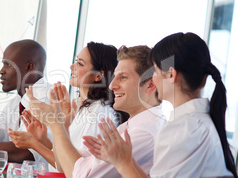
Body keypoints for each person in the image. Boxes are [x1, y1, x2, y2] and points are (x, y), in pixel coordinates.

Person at [86, 32, 237, 177]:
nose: (153, 80)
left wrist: (123, 163)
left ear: (171, 75)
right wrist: (125, 160)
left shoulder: (183, 128)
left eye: (156, 72)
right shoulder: (195, 122)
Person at [9, 42, 123, 174]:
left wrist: (34, 144)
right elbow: (65, 156)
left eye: (80, 63)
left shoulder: (98, 114)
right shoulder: (85, 108)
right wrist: (43, 140)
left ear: (98, 76)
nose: (71, 66)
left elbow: (75, 168)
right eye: (76, 61)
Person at [74, 45, 166, 177]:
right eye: (115, 77)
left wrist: (57, 127)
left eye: (123, 77)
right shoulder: (131, 126)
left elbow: (81, 175)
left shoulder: (144, 132)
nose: (112, 85)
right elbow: (72, 161)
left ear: (150, 85)